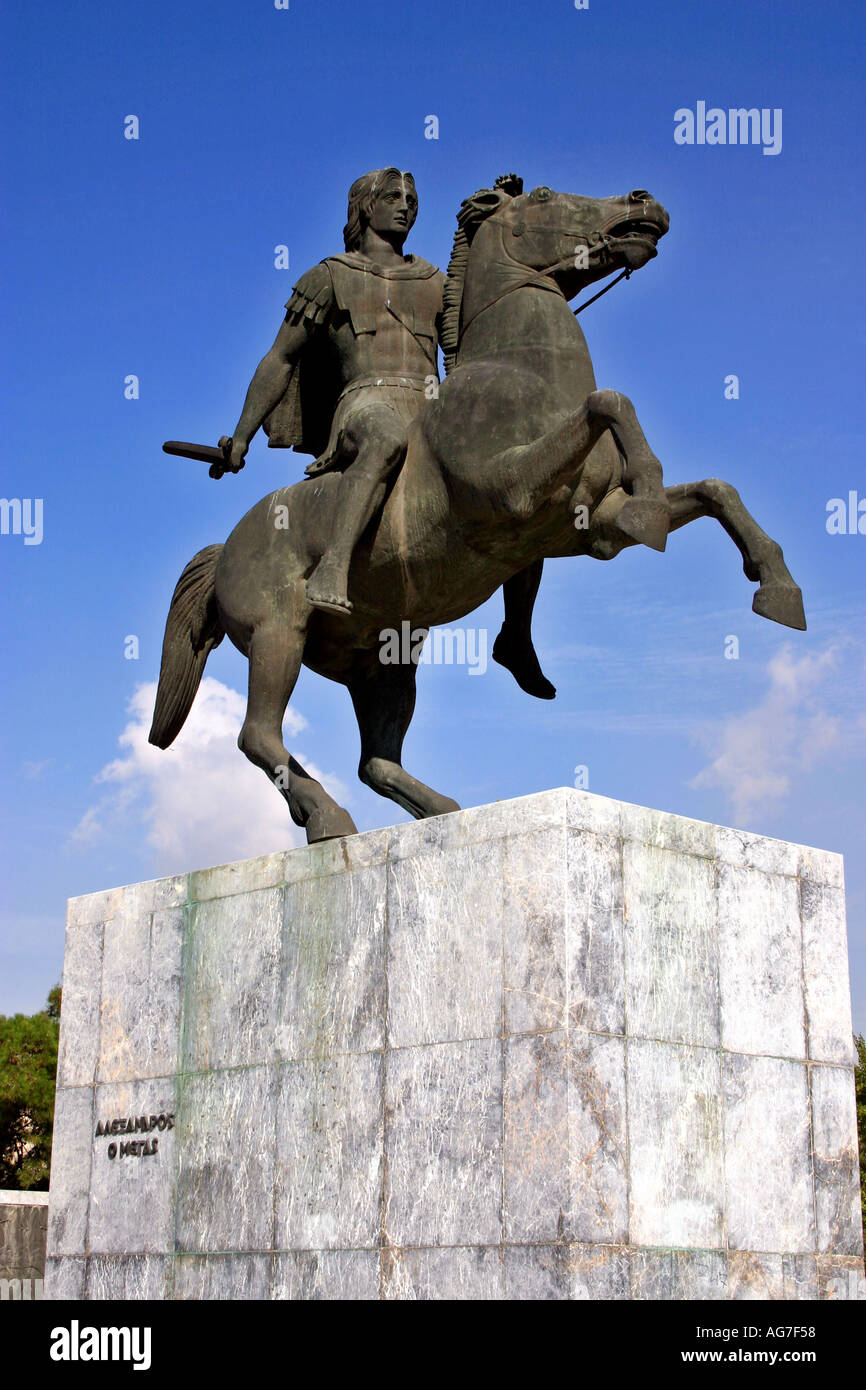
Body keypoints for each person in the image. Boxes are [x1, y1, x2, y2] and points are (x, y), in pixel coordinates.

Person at [221, 166, 556, 695]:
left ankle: (516, 633)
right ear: (364, 208)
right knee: (384, 440)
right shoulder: (328, 275)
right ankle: (332, 567)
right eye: (393, 197)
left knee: (522, 480)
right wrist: (241, 436)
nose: (406, 205)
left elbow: (484, 299)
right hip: (366, 400)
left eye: (412, 198)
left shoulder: (434, 281)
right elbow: (280, 359)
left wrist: (501, 213)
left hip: (432, 403)